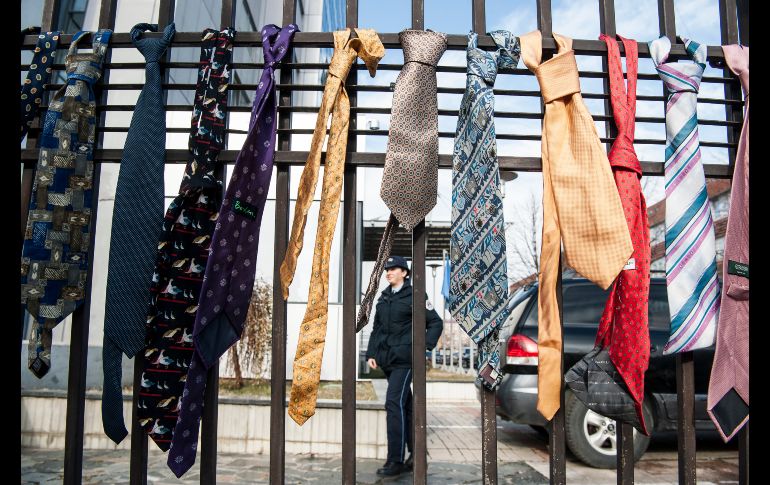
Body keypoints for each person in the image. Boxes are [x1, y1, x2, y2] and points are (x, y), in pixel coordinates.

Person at [365, 255, 443, 476]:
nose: (388, 272)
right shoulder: (384, 298)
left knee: (393, 403)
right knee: (405, 406)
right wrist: (371, 352)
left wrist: (423, 347)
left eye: (393, 269)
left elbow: (435, 322)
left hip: (406, 360)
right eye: (387, 270)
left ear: (405, 273)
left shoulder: (415, 295)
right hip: (388, 360)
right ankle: (416, 455)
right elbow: (377, 328)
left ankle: (395, 460)